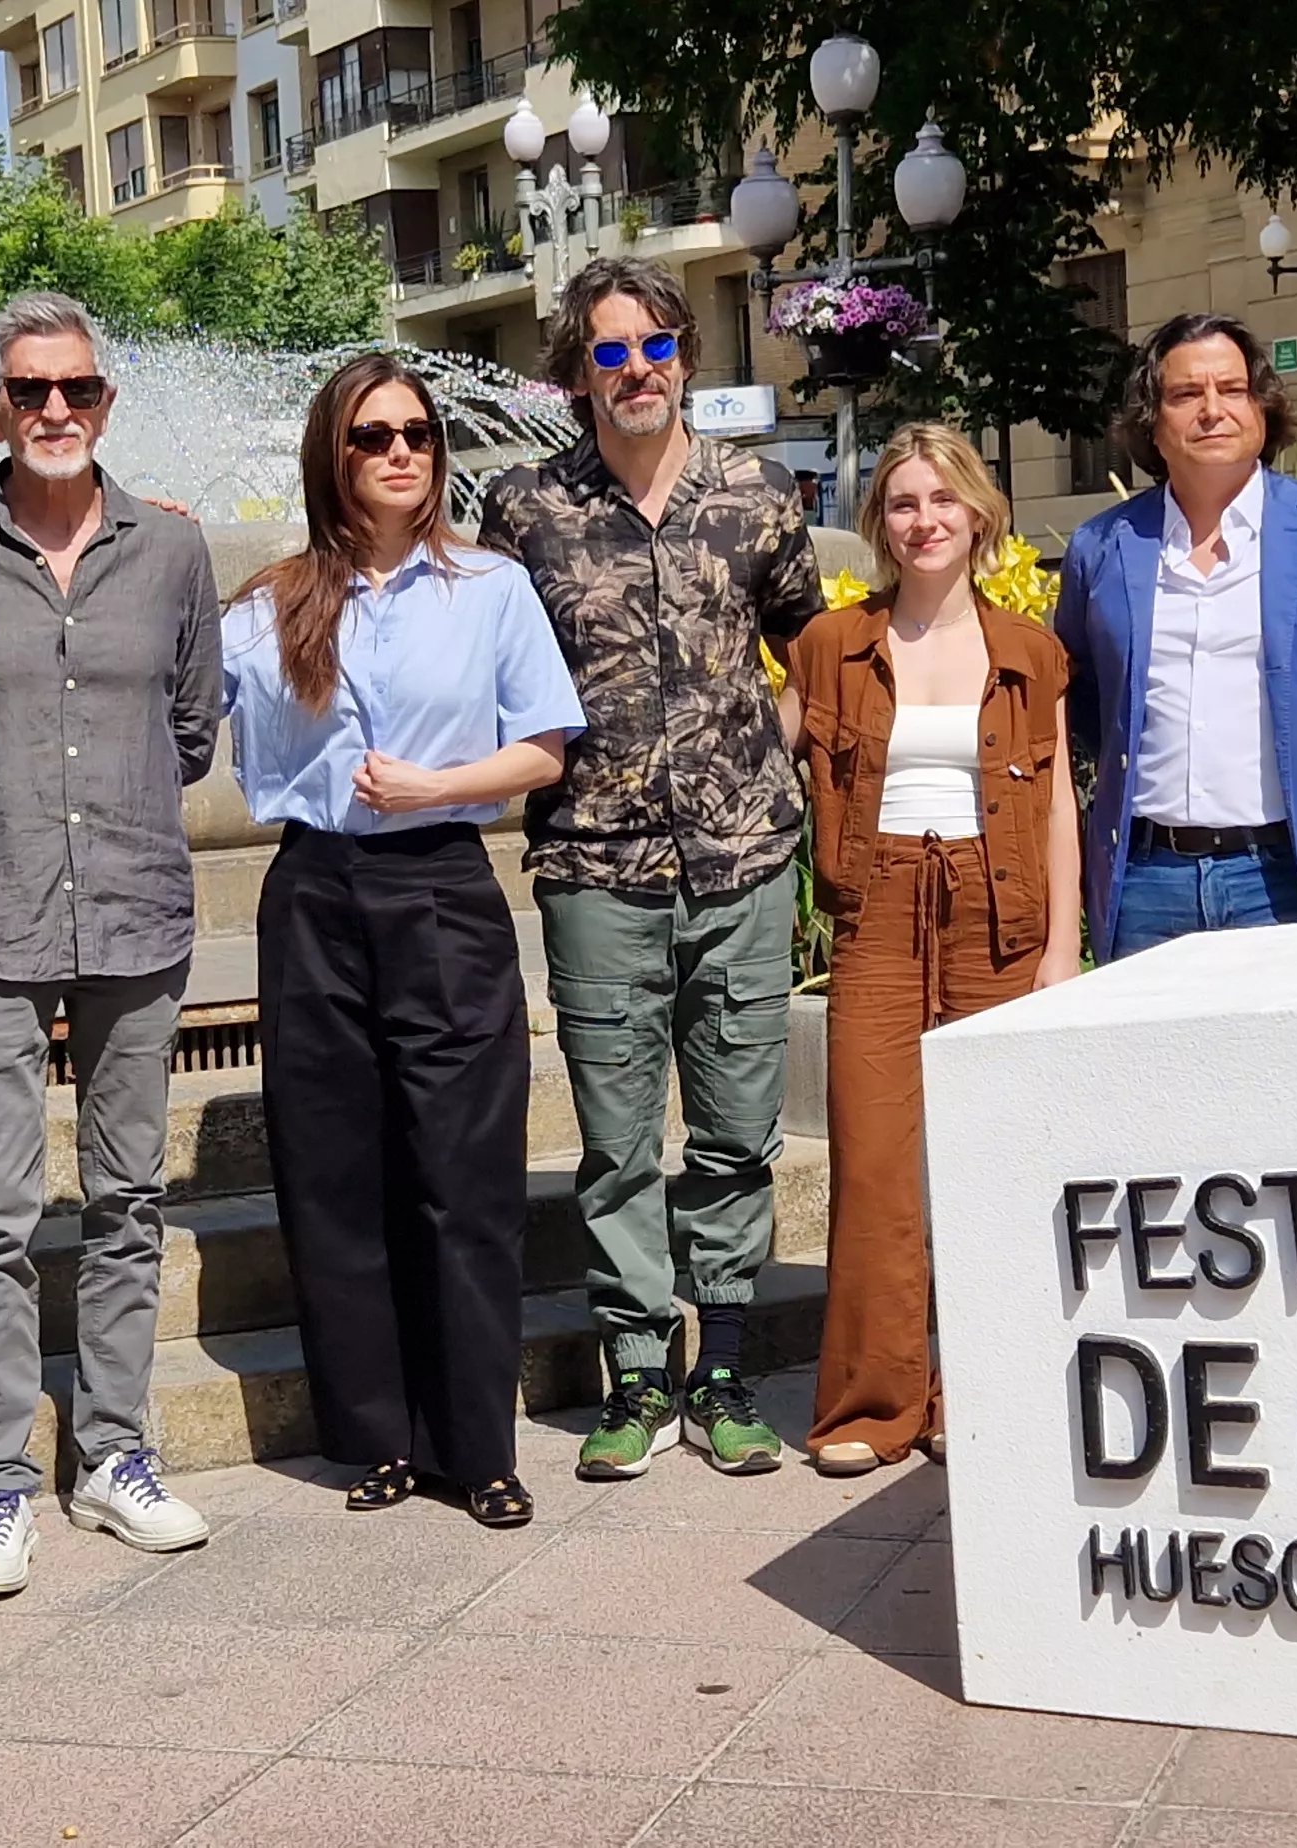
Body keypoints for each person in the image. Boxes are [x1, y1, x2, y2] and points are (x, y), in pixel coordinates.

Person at [0, 293, 223, 1597]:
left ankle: (115, 1456)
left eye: (75, 389)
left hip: (134, 906)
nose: (53, 410)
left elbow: (191, 729)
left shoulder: (173, 552)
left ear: (105, 402)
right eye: (28, 390)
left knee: (129, 1199)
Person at [478, 256, 824, 1481]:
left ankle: (720, 1368)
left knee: (734, 1132)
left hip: (741, 865)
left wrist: (762, 769)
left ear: (686, 356)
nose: (638, 370)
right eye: (612, 351)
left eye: (657, 346)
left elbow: (810, 653)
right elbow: (481, 660)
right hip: (594, 865)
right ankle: (635, 1373)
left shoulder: (758, 496)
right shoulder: (525, 509)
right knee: (618, 1142)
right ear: (578, 370)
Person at [227, 353, 583, 1528]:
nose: (400, 454)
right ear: (331, 455)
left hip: (440, 886)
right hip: (313, 893)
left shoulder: (489, 587)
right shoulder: (269, 603)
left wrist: (438, 786)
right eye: (372, 436)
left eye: (418, 434)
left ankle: (477, 1448)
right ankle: (375, 1437)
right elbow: (173, 701)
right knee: (334, 1172)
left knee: (462, 1174)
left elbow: (544, 748)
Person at [779, 423, 1080, 1477]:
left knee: (990, 1159)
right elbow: (765, 761)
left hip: (1000, 916)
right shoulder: (831, 643)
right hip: (877, 914)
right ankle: (873, 1404)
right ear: (879, 523)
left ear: (979, 514)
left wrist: (1062, 949)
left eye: (943, 499)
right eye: (903, 502)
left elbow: (1057, 804)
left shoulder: (1029, 651)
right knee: (873, 1166)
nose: (924, 521)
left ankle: (981, 1393)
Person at [1060, 311, 1297, 960]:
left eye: (1232, 389)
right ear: (1153, 420)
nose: (1213, 410)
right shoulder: (1102, 547)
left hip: (1295, 877)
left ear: (1261, 407)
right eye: (1186, 394)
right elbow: (1088, 700)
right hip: (1147, 883)